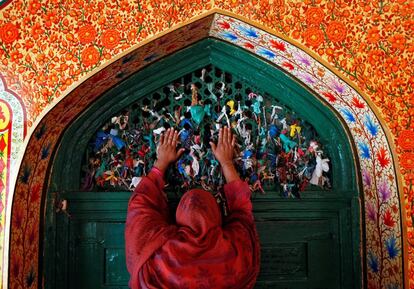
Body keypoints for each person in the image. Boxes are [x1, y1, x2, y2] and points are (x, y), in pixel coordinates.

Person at [125, 127, 260, 289]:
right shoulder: (235, 255)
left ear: (178, 216)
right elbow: (242, 214)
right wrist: (226, 163)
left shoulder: (157, 257)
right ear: (217, 216)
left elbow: (140, 207)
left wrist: (160, 163)